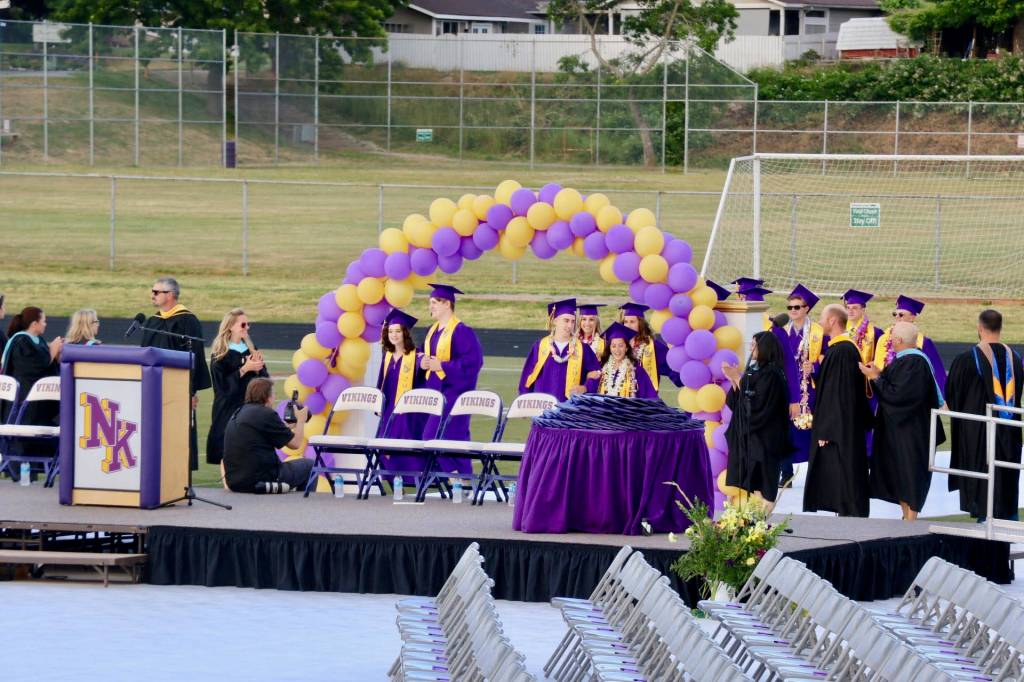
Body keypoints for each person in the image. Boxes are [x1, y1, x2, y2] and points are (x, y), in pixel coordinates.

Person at [859, 321, 945, 520]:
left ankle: (911, 520)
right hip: (903, 432)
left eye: (892, 337)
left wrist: (875, 378)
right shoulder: (907, 360)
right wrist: (879, 374)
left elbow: (899, 396)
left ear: (898, 340)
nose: (889, 340)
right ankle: (906, 517)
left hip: (912, 432)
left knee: (910, 475)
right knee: (900, 476)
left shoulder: (914, 362)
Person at [945, 309, 1022, 521]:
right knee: (1006, 486)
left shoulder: (966, 359)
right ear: (1000, 328)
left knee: (983, 489)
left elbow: (953, 398)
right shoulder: (1016, 360)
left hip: (978, 435)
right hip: (1010, 435)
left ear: (979, 328)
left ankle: (985, 523)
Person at [803, 304, 873, 518]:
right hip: (843, 426)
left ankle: (849, 519)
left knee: (844, 477)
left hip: (839, 429)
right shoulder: (841, 349)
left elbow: (837, 394)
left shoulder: (842, 350)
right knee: (841, 479)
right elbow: (833, 386)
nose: (820, 322)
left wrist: (825, 429)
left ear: (832, 320)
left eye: (823, 318)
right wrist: (815, 374)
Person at [140, 277, 212, 471]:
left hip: (178, 389)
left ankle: (179, 475)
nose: (152, 295)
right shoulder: (152, 321)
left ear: (170, 295)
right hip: (153, 388)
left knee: (179, 434)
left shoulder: (187, 320)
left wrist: (191, 391)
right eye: (152, 291)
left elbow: (195, 356)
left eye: (156, 292)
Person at [722, 331, 792, 506]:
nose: (751, 349)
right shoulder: (754, 370)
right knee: (753, 482)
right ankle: (753, 519)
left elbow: (758, 403)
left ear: (764, 348)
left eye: (754, 345)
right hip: (753, 438)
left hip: (766, 436)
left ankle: (761, 519)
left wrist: (737, 378)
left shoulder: (773, 374)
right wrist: (734, 381)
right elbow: (739, 402)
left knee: (764, 482)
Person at [420, 283, 484, 475]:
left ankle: (455, 476)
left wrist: (442, 365)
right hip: (436, 393)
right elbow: (425, 355)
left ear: (447, 304)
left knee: (434, 437)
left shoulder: (461, 331)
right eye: (430, 302)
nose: (430, 306)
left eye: (434, 302)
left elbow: (473, 362)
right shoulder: (432, 331)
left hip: (455, 394)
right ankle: (463, 480)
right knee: (457, 440)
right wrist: (422, 361)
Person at [773, 284, 827, 485]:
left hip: (810, 388)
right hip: (788, 386)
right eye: (790, 307)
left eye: (797, 307)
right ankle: (786, 472)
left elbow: (828, 358)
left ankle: (816, 473)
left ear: (806, 309)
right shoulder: (782, 331)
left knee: (812, 428)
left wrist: (814, 367)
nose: (793, 311)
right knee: (784, 429)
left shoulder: (819, 333)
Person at [223, 378, 312, 494]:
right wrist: (301, 421)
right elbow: (296, 444)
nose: (274, 397)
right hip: (261, 479)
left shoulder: (239, 412)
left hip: (235, 482)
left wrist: (287, 427)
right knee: (309, 465)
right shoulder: (266, 413)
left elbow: (262, 433)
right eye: (273, 393)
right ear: (267, 396)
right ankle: (303, 503)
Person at [1, 307, 62, 473]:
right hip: (22, 403)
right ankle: (20, 471)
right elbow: (34, 367)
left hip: (39, 405)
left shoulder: (38, 340)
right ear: (34, 323)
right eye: (43, 321)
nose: (46, 324)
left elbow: (47, 365)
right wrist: (52, 351)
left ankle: (37, 470)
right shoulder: (20, 342)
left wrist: (55, 356)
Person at [206, 308, 268, 467]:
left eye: (248, 324)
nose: (247, 328)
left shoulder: (251, 349)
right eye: (243, 324)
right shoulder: (220, 353)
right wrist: (244, 369)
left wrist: (258, 369)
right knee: (226, 451)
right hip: (228, 409)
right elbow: (222, 387)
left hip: (249, 407)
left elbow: (264, 380)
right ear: (231, 326)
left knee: (249, 448)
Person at [520, 298, 601, 402]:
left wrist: (585, 388)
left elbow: (596, 374)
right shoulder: (541, 346)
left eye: (573, 321)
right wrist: (524, 399)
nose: (570, 325)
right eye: (566, 320)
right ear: (555, 321)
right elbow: (527, 376)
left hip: (570, 406)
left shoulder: (583, 348)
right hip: (542, 405)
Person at [376, 308, 427, 472]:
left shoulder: (416, 355)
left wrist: (424, 363)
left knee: (405, 446)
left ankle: (413, 480)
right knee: (385, 448)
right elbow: (381, 381)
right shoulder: (387, 356)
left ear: (405, 333)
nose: (394, 335)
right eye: (391, 331)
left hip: (408, 413)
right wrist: (378, 404)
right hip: (389, 409)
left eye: (398, 331)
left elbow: (422, 367)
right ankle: (393, 480)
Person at [874, 295, 947, 396]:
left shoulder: (923, 342)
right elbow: (878, 367)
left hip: (913, 393)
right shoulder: (883, 339)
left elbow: (937, 373)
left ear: (912, 317)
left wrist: (942, 398)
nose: (897, 317)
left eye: (901, 315)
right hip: (887, 392)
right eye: (895, 314)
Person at [586, 322, 660, 399]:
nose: (617, 350)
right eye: (613, 346)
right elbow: (589, 389)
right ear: (610, 349)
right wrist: (588, 376)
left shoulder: (637, 371)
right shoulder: (602, 369)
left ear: (626, 348)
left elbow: (650, 397)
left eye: (621, 345)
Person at [619, 303, 681, 392]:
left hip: (645, 396)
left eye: (632, 322)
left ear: (640, 324)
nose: (628, 325)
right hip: (620, 396)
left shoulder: (653, 346)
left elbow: (671, 368)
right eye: (626, 322)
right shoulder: (618, 345)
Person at [843, 289, 883, 367]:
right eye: (848, 308)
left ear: (863, 310)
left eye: (854, 308)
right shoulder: (842, 330)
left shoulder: (875, 333)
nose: (850, 311)